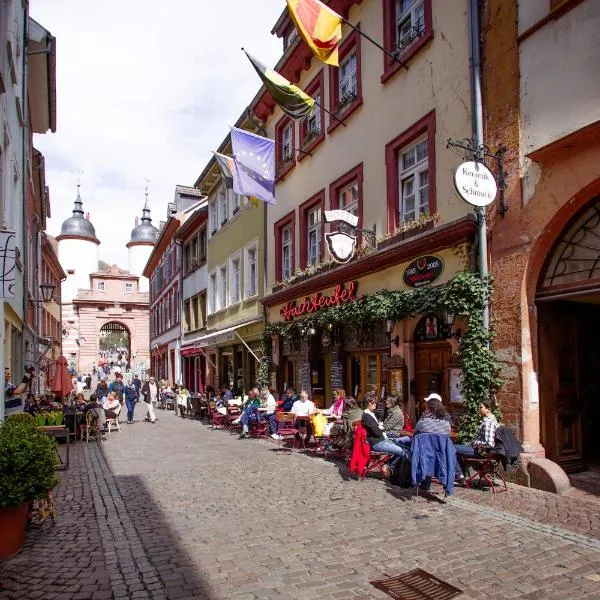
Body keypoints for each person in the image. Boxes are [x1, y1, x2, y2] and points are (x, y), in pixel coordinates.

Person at [361, 395, 409, 479]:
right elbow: (377, 433)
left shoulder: (372, 414)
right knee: (404, 452)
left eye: (375, 402)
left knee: (407, 450)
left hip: (385, 439)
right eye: (373, 402)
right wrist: (380, 428)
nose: (375, 404)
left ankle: (392, 469)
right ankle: (390, 468)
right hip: (378, 442)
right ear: (368, 403)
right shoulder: (367, 416)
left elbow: (381, 428)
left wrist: (380, 428)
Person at [454, 399, 499, 480]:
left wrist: (475, 442)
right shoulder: (491, 420)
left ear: (488, 409)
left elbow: (489, 444)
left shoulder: (488, 423)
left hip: (480, 452)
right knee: (455, 448)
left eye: (481, 407)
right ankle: (460, 475)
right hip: (477, 448)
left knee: (452, 448)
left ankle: (460, 476)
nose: (479, 409)